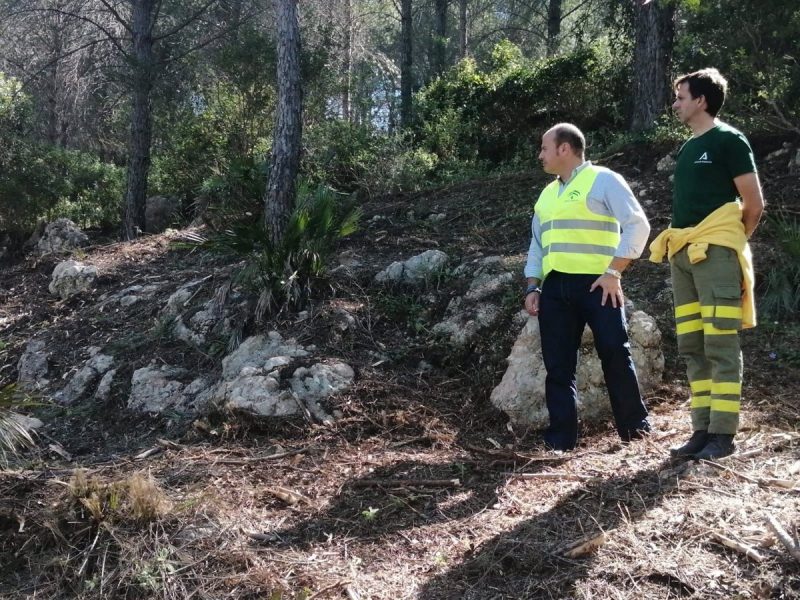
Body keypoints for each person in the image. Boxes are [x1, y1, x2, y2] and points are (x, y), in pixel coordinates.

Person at [650, 68, 765, 460]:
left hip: (715, 252)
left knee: (720, 343)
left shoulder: (729, 140)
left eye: (681, 97)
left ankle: (723, 434)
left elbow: (753, 204)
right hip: (682, 254)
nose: (675, 104)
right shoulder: (687, 148)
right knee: (692, 345)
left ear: (701, 101)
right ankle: (702, 429)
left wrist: (728, 242)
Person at [524, 123, 651, 451]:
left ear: (564, 149)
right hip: (555, 288)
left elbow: (638, 225)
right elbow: (537, 244)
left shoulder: (604, 180)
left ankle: (636, 433)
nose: (540, 155)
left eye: (544, 148)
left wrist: (614, 271)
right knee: (557, 366)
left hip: (598, 285)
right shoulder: (547, 194)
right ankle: (560, 440)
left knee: (615, 353)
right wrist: (533, 286)